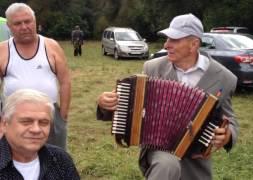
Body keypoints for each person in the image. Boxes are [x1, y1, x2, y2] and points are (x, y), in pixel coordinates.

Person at [96, 13, 239, 180]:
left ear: (194, 44)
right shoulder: (153, 67)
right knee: (167, 164)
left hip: (195, 160)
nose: (166, 45)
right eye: (167, 39)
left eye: (174, 40)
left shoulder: (224, 78)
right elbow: (131, 108)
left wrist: (228, 135)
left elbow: (229, 119)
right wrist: (105, 105)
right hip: (159, 151)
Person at [0, 3, 71, 150]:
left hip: (49, 114)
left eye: (28, 21)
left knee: (54, 158)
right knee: (16, 158)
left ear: (35, 21)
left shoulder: (51, 46)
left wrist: (62, 116)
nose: (24, 26)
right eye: (18, 23)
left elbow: (65, 81)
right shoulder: (3, 50)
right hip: (14, 116)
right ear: (9, 26)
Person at [0, 89, 80, 179]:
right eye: (26, 121)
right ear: (4, 124)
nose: (36, 129)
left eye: (43, 122)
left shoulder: (60, 159)